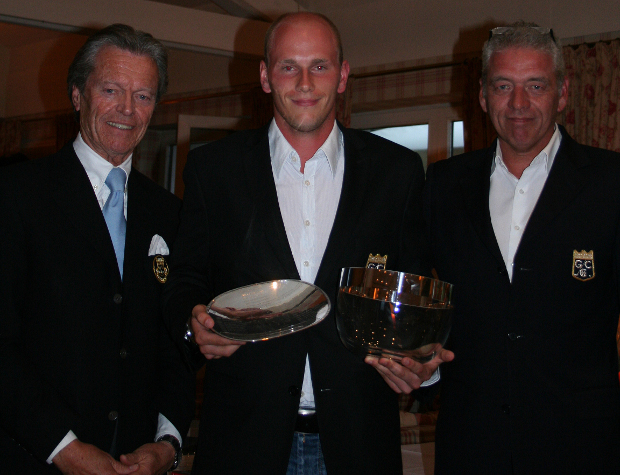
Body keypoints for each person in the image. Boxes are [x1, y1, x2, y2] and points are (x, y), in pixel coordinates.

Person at [163, 12, 452, 475]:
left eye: (319, 66)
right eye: (287, 66)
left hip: (359, 444)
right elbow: (186, 278)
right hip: (242, 443)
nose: (303, 82)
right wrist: (191, 322)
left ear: (342, 76)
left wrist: (421, 359)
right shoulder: (214, 171)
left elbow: (412, 294)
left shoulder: (396, 172)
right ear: (264, 76)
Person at [425, 21, 620, 474]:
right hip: (469, 445)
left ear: (563, 94)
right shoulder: (443, 186)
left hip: (582, 447)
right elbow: (418, 299)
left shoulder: (611, 183)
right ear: (482, 96)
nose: (518, 104)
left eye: (536, 86)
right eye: (503, 86)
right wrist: (421, 362)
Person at [0, 24, 195, 475]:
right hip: (35, 456)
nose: (127, 109)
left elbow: (174, 347)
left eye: (143, 96)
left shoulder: (170, 214)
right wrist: (64, 449)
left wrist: (167, 443)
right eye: (111, 89)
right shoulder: (17, 197)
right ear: (76, 95)